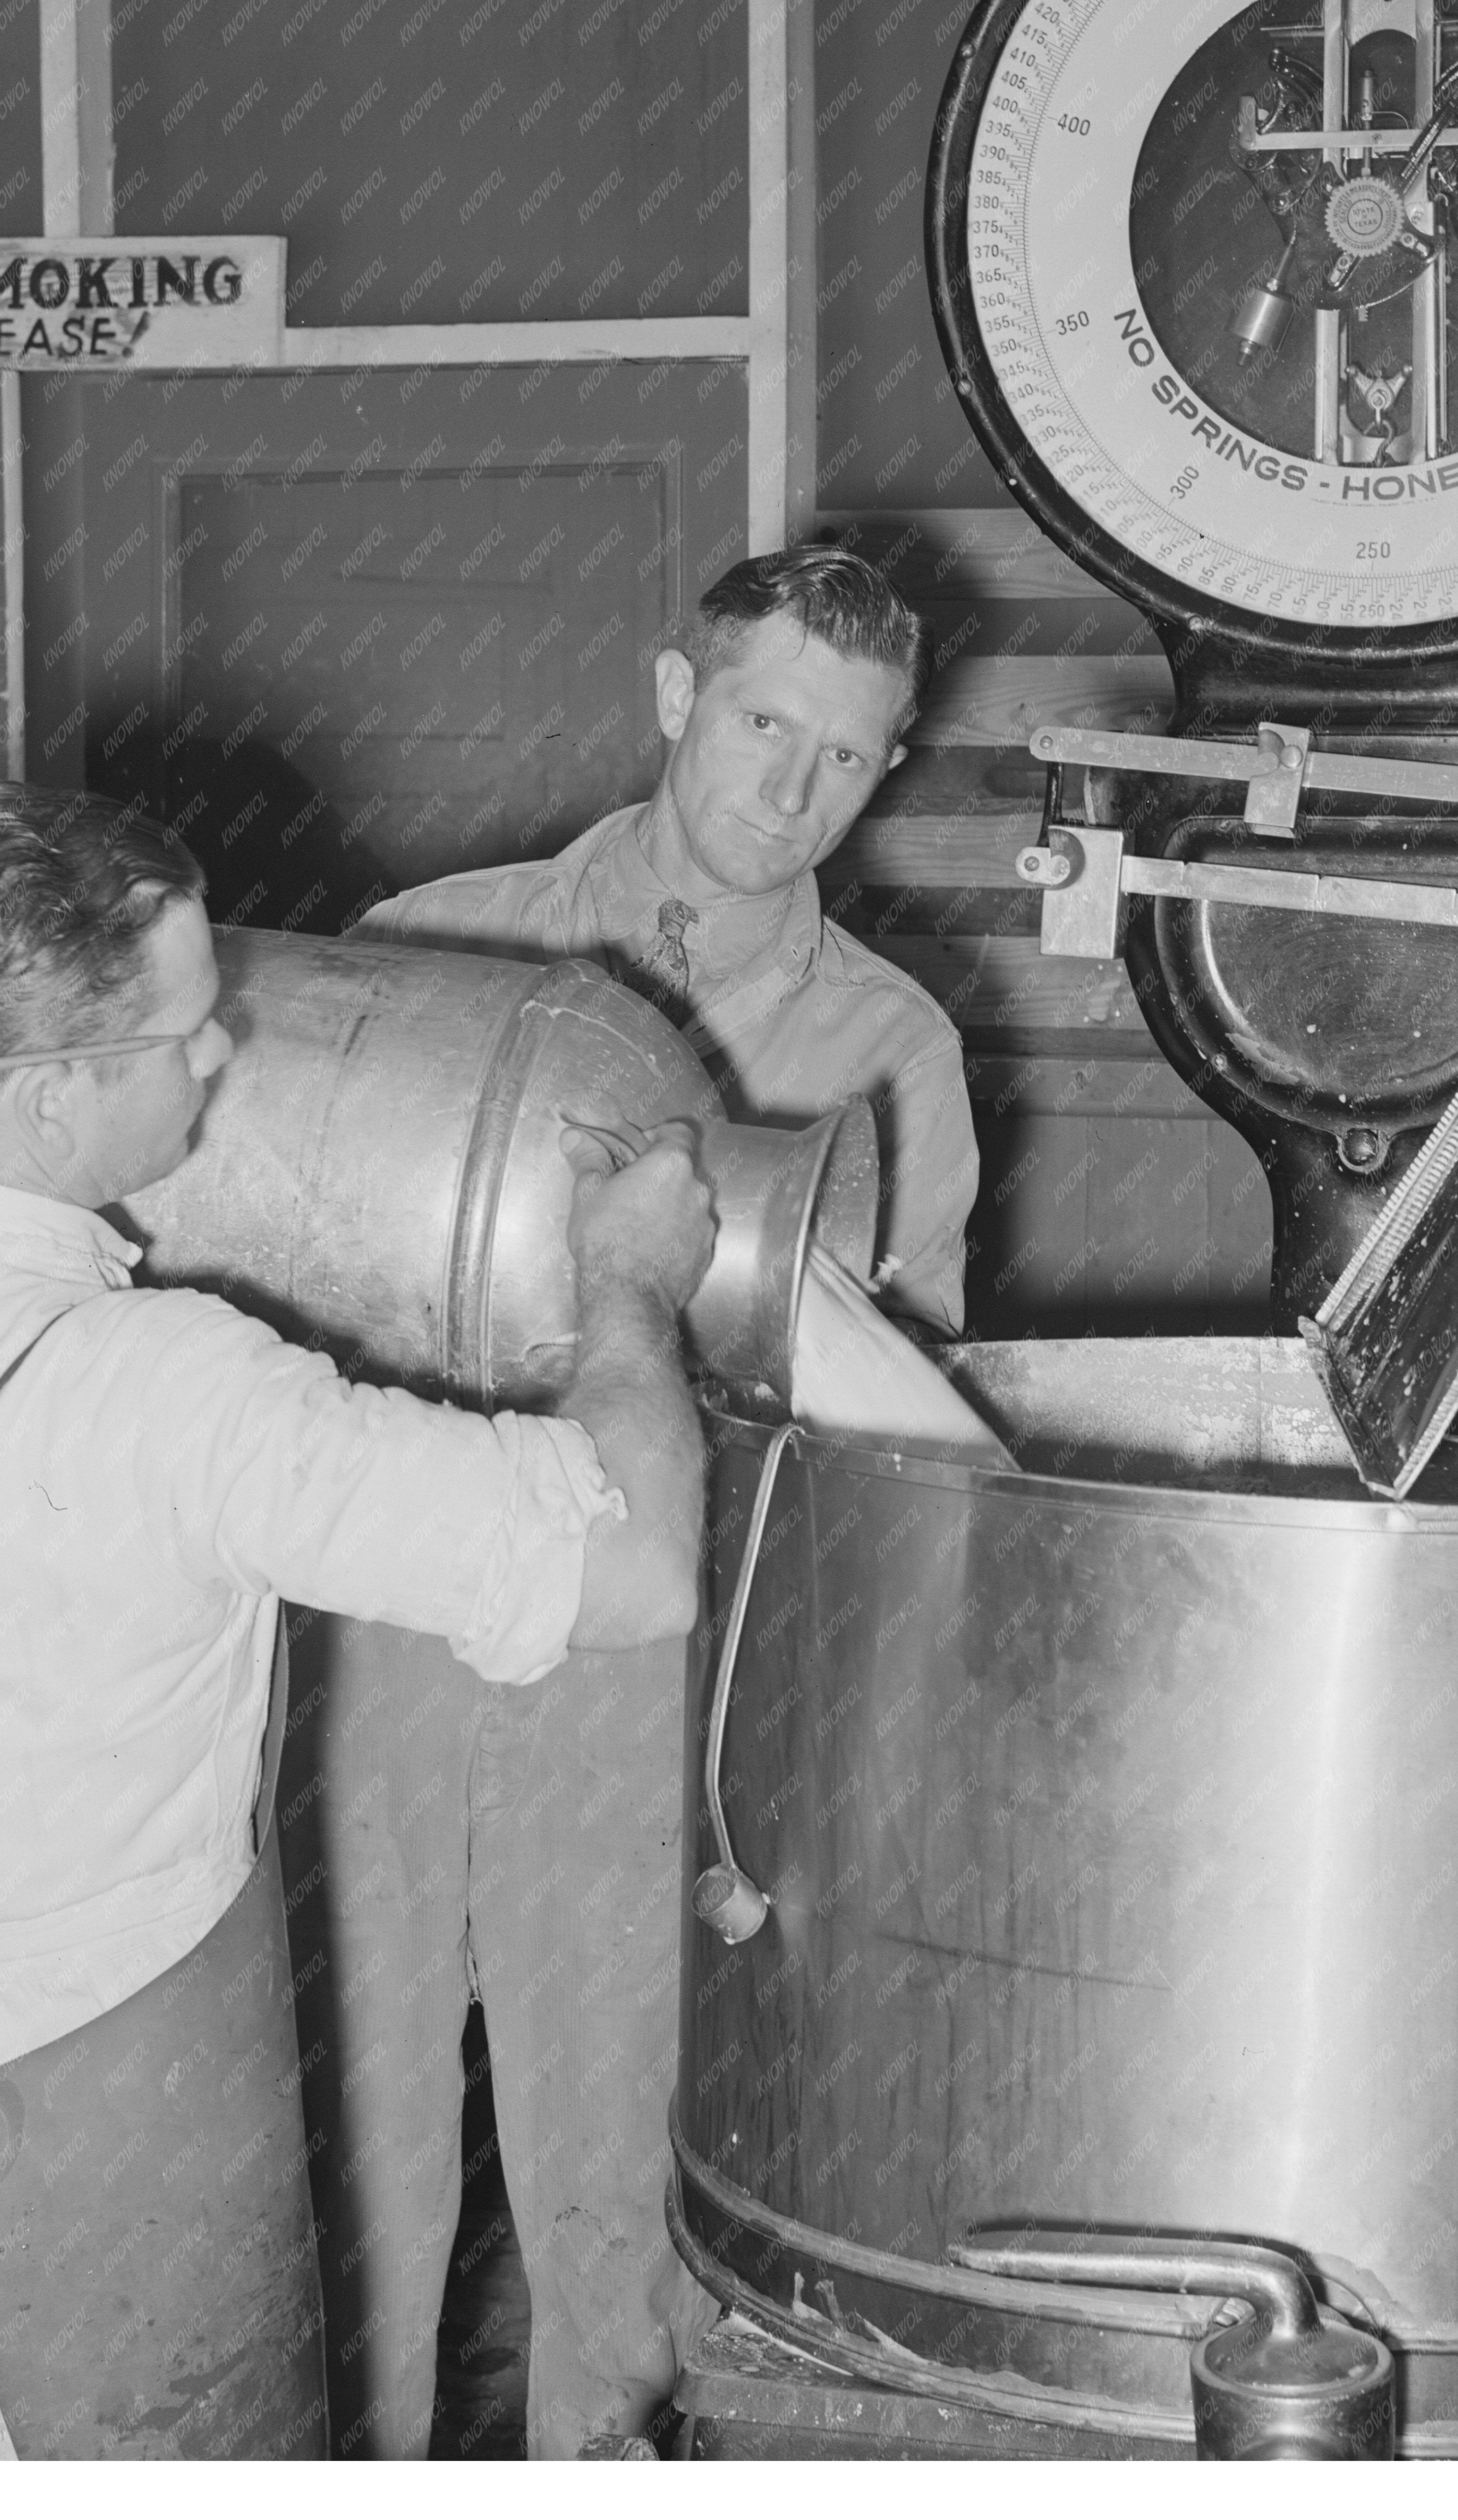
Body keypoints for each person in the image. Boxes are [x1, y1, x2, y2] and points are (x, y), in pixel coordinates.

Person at [0, 782, 714, 2462]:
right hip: (88, 2213)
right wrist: (626, 1282)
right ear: (54, 1096)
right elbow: (635, 1564)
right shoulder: (168, 1395)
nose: (225, 1061)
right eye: (189, 1034)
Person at [300, 546, 978, 2456]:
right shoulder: (432, 939)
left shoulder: (889, 1048)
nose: (792, 789)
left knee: (616, 2171)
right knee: (357, 2141)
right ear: (679, 696)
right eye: (764, 724)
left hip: (651, 1683)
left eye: (847, 758)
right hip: (386, 1639)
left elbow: (890, 1421)